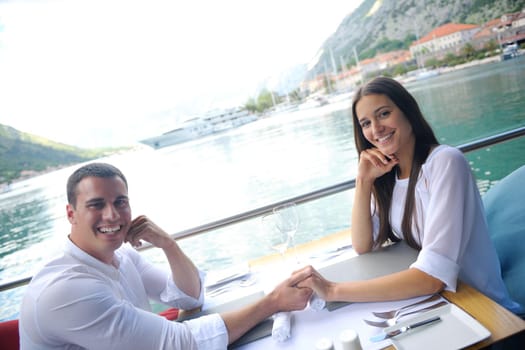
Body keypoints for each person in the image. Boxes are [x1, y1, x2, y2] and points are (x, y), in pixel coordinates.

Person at [19, 162, 312, 349]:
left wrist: (168, 244)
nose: (112, 215)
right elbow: (179, 343)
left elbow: (189, 297)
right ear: (71, 213)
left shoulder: (120, 255)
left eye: (120, 202)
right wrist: (273, 302)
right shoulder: (64, 291)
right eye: (97, 204)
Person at [294, 76, 522, 314]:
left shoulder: (445, 163)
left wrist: (333, 291)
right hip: (440, 304)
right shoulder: (389, 175)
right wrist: (363, 181)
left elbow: (432, 278)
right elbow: (363, 244)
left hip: (482, 309)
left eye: (383, 114)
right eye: (365, 123)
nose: (375, 129)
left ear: (408, 112)